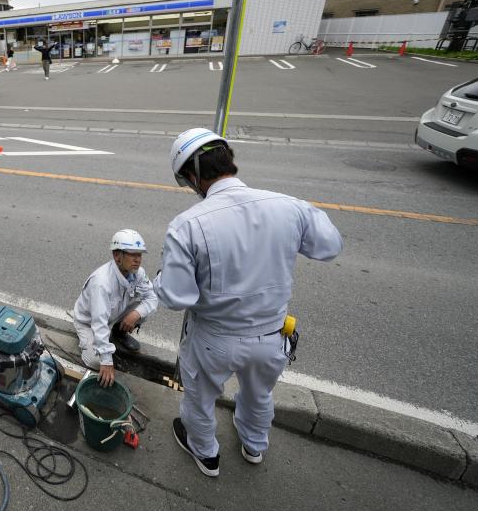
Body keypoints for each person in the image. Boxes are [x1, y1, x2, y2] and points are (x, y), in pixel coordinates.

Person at [154, 128, 343, 478]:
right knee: (259, 396)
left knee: (199, 399)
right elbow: (329, 245)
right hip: (272, 336)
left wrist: (160, 279)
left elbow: (176, 296)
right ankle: (254, 446)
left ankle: (206, 453)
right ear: (230, 160)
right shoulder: (288, 206)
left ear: (194, 176)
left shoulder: (187, 225)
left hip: (214, 339)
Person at [73, 229, 159, 388]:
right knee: (96, 361)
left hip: (113, 315)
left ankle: (118, 332)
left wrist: (135, 314)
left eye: (139, 255)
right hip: (89, 323)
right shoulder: (102, 283)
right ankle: (87, 345)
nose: (137, 260)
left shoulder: (137, 273)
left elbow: (152, 298)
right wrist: (106, 361)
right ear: (117, 256)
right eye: (132, 254)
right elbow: (99, 323)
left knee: (142, 311)